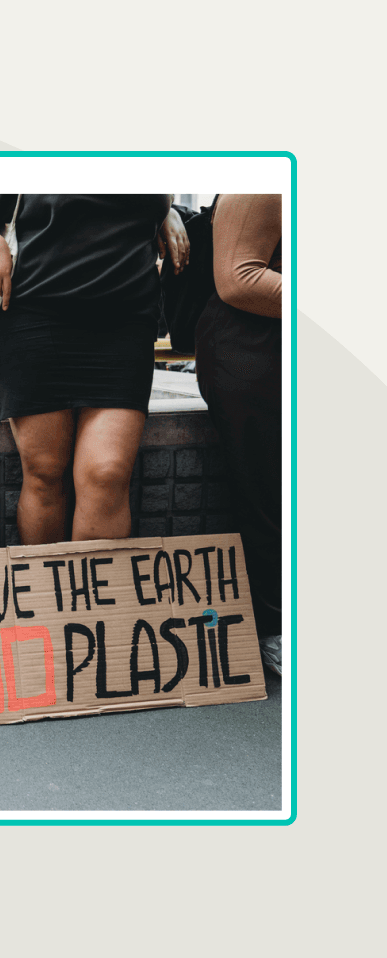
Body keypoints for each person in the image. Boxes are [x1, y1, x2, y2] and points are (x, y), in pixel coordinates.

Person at [0, 195, 189, 544]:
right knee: (45, 474)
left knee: (107, 475)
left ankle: (99, 595)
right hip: (35, 319)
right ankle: (47, 596)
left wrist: (169, 212)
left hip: (124, 326)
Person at [196, 193, 283, 675]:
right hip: (254, 352)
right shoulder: (264, 177)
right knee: (269, 497)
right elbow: (238, 279)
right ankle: (276, 631)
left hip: (274, 347)